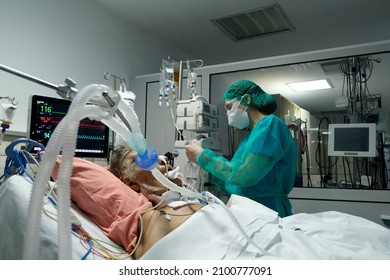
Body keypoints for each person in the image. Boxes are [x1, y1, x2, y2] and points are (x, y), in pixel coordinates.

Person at [185, 79, 297, 217]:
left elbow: (243, 175)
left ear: (246, 99)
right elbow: (236, 184)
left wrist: (201, 155)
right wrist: (209, 177)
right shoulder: (248, 138)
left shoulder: (270, 126)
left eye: (229, 106)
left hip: (268, 211)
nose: (228, 112)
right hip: (248, 211)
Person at [107, 145, 203, 259]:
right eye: (142, 159)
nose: (161, 160)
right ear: (132, 183)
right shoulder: (154, 219)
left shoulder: (194, 199)